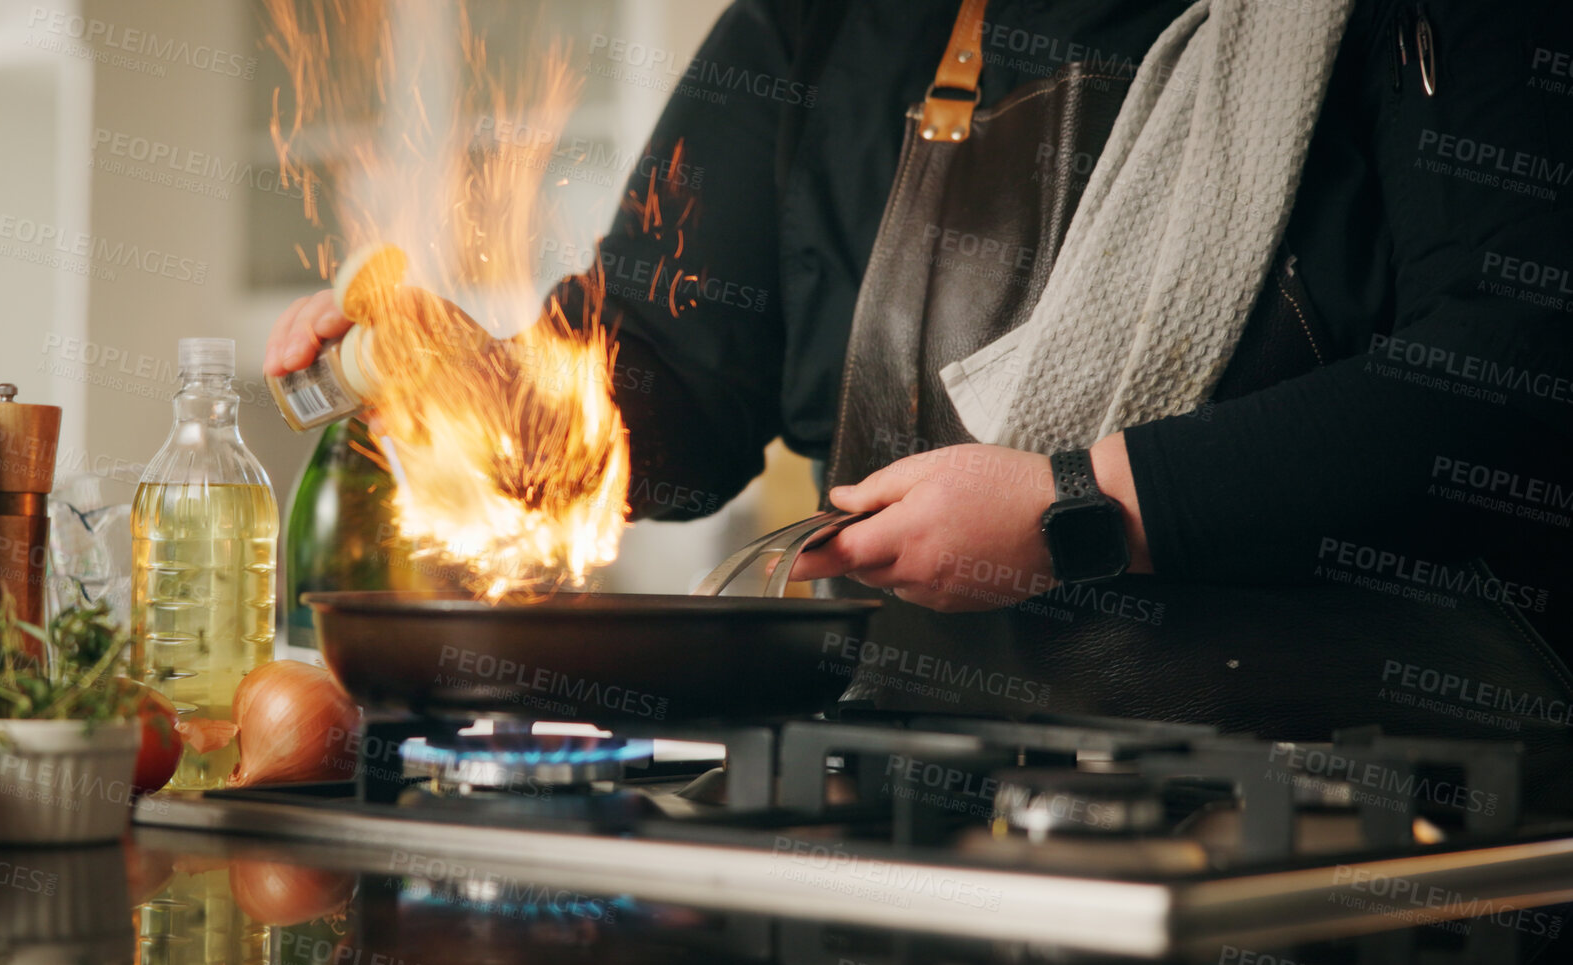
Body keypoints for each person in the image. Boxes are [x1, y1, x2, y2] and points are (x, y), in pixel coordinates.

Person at [268, 0, 1573, 659]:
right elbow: (661, 393)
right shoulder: (820, 24)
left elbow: (1520, 370)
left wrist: (1085, 510)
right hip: (903, 782)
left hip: (1356, 816)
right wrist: (476, 396)